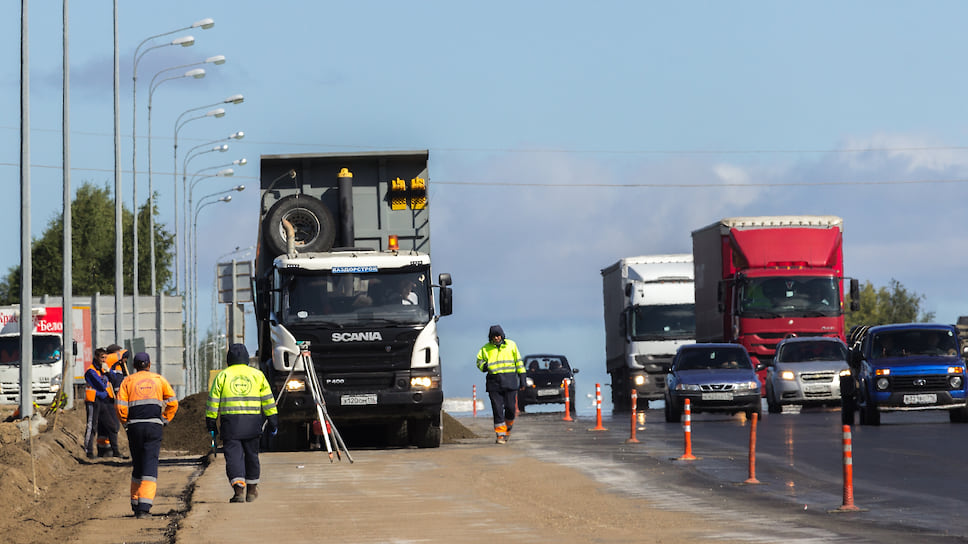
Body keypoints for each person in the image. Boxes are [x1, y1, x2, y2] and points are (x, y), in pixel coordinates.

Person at [206, 343, 279, 503]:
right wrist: (273, 420)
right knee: (252, 456)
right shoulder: (257, 375)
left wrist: (211, 421)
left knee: (233, 457)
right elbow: (268, 399)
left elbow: (213, 402)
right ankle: (252, 491)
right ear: (246, 358)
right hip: (253, 423)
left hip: (230, 424)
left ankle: (239, 491)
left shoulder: (223, 376)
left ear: (229, 359)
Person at [116, 352, 178, 519]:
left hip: (134, 427)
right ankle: (144, 506)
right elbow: (173, 402)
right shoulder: (159, 380)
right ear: (149, 364)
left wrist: (125, 423)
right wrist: (165, 419)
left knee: (138, 463)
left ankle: (135, 502)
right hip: (153, 427)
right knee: (150, 465)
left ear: (135, 366)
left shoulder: (127, 381)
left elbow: (120, 406)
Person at [475, 325, 526, 444]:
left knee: (510, 409)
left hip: (510, 382)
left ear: (502, 335)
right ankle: (500, 435)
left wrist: (522, 378)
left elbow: (519, 362)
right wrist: (484, 366)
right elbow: (479, 361)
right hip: (494, 383)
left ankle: (508, 428)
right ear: (490, 337)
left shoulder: (511, 345)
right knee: (497, 410)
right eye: (494, 336)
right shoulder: (485, 348)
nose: (496, 338)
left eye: (498, 336)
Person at [83, 347, 112, 458]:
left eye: (105, 358)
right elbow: (101, 385)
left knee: (105, 425)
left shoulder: (101, 370)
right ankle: (88, 450)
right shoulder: (91, 371)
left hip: (102, 400)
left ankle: (104, 449)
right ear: (96, 357)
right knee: (91, 425)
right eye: (102, 358)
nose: (104, 360)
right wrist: (105, 376)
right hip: (92, 400)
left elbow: (111, 379)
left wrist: (108, 372)